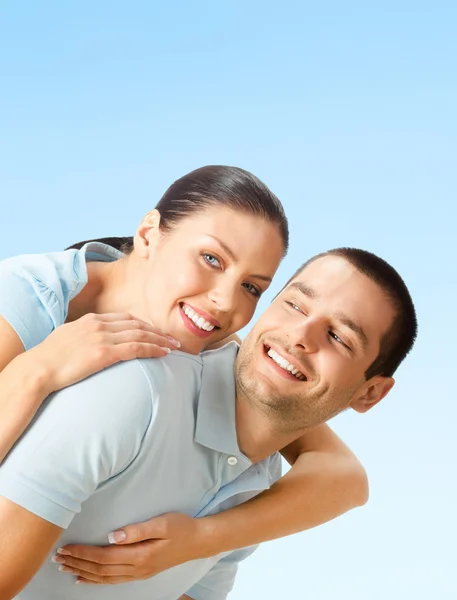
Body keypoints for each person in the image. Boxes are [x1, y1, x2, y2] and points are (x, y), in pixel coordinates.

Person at [0, 165, 367, 586]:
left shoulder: (213, 343)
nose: (224, 300)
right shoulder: (25, 297)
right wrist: (38, 371)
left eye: (251, 287)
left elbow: (345, 478)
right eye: (211, 259)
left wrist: (198, 539)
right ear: (147, 234)